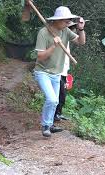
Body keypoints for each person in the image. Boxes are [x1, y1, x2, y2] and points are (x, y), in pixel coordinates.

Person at [33, 6, 86, 137]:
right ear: (57, 20)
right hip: (42, 72)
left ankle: (50, 125)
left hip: (56, 73)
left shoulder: (66, 31)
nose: (68, 23)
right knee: (51, 99)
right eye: (66, 20)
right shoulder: (43, 32)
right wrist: (53, 45)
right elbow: (40, 57)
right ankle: (45, 126)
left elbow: (81, 42)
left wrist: (81, 29)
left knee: (55, 101)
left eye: (69, 21)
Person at [54, 21, 77, 122]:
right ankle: (55, 114)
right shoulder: (60, 38)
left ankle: (59, 113)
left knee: (63, 94)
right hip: (58, 71)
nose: (75, 30)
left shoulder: (66, 41)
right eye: (73, 28)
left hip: (64, 71)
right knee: (59, 94)